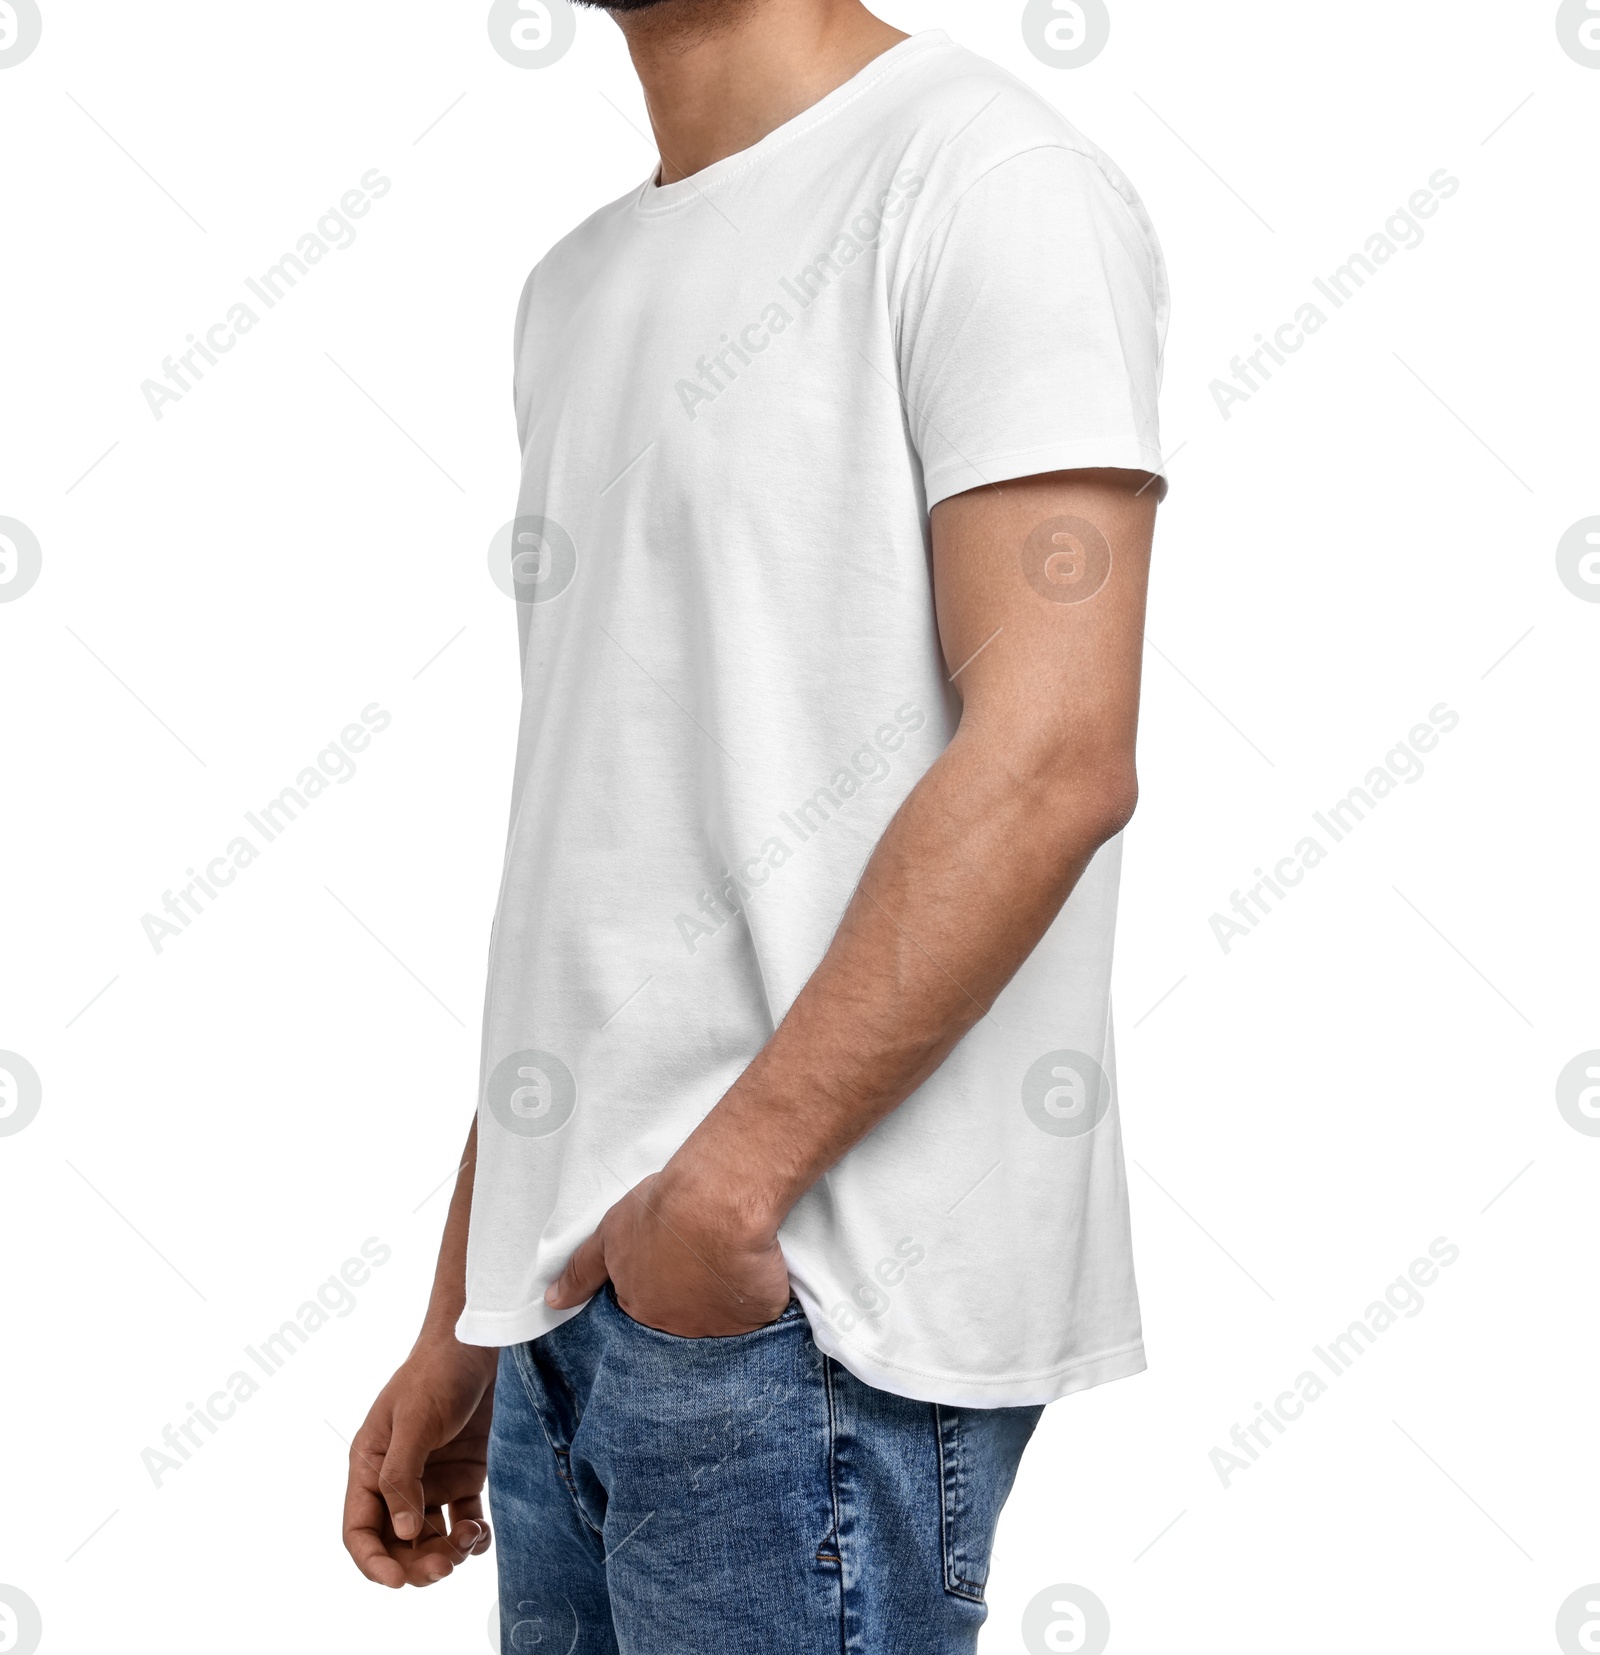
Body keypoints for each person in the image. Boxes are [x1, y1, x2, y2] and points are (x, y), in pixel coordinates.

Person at [342, 2, 1169, 1649]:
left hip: (807, 1315)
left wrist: (722, 1204)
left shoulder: (984, 175)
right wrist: (470, 1303)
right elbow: (620, 848)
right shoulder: (573, 289)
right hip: (575, 1310)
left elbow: (1057, 755)